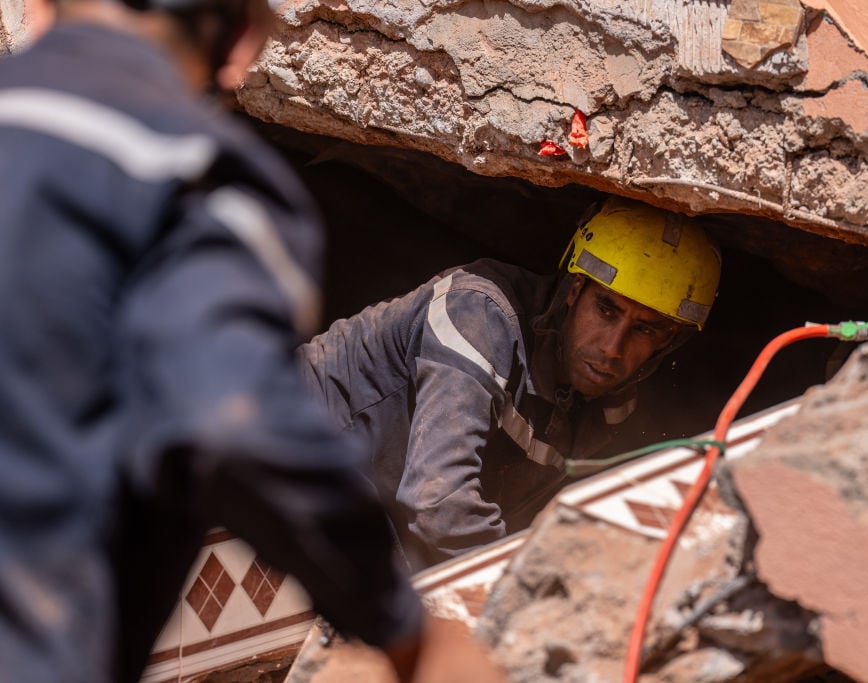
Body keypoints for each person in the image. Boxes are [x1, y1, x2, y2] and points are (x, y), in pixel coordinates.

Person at [0, 1, 505, 682]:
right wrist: (406, 632)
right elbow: (232, 419)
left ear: (36, 11)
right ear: (241, 46)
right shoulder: (193, 178)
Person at [299, 197, 722, 568]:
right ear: (575, 290)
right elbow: (439, 504)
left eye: (646, 330)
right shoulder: (479, 314)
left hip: (377, 501)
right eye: (607, 310)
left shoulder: (613, 409)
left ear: (668, 342)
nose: (613, 348)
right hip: (284, 437)